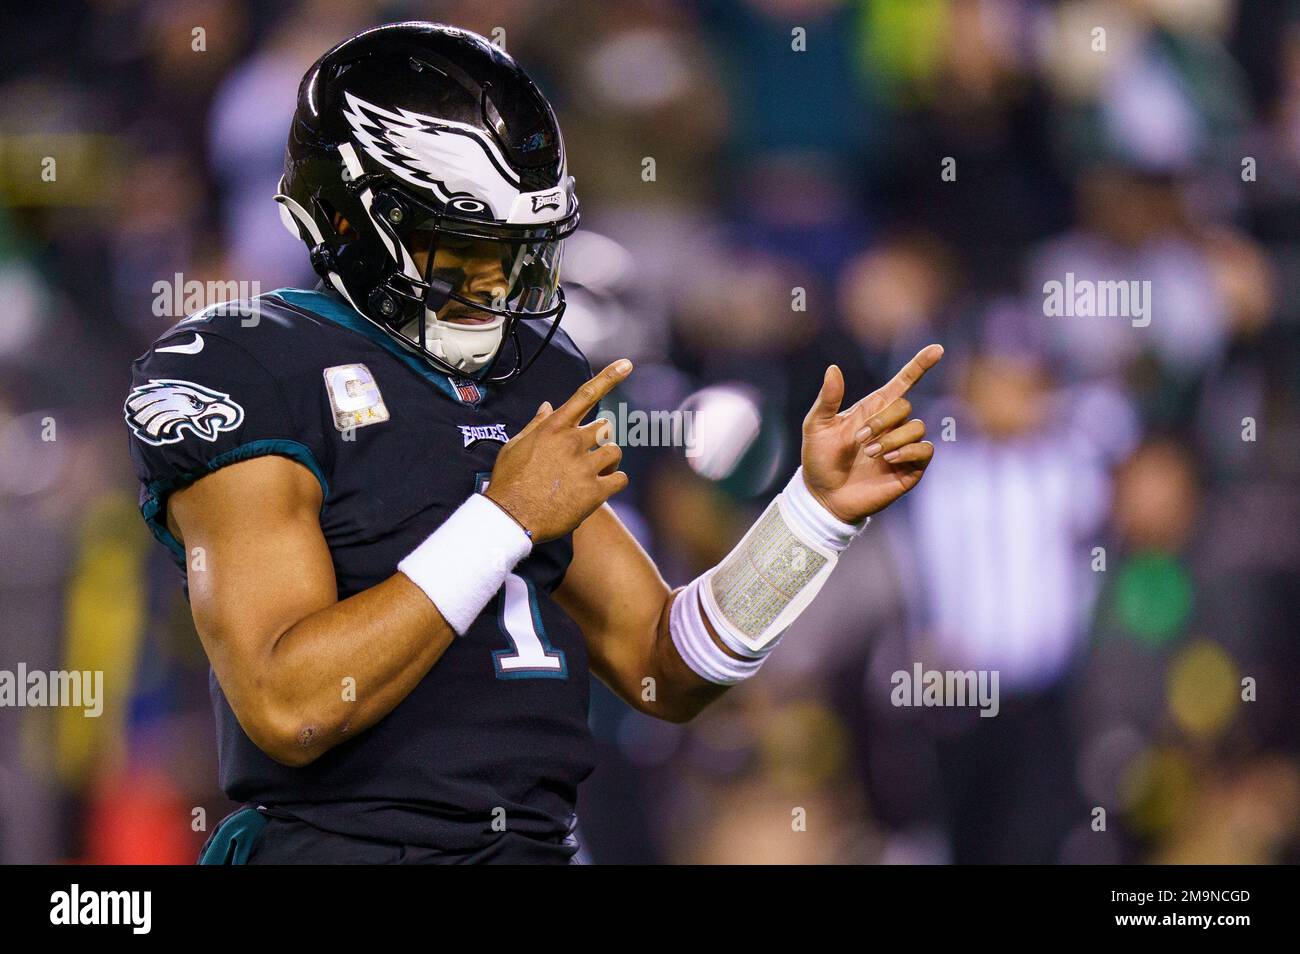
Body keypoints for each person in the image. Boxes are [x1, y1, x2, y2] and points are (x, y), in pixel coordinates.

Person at [123, 21, 942, 863]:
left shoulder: (532, 370)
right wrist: (502, 517)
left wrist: (811, 516)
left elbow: (666, 664)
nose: (496, 283)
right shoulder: (251, 366)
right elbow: (289, 706)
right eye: (467, 247)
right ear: (353, 214)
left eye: (516, 252)